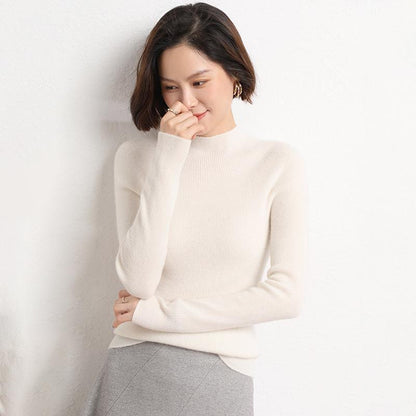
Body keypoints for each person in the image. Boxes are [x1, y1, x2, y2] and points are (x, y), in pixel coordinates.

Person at [82, 2, 309, 415]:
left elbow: (286, 296)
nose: (185, 101)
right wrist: (169, 156)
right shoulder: (135, 157)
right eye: (171, 88)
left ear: (234, 75)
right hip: (134, 361)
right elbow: (139, 280)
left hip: (222, 370)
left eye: (199, 82)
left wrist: (161, 315)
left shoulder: (276, 164)